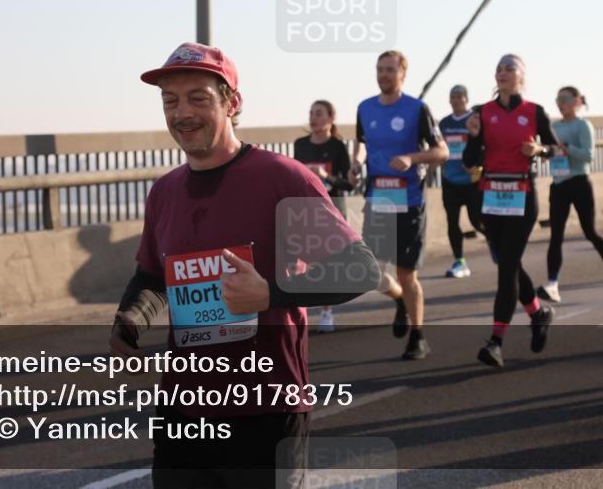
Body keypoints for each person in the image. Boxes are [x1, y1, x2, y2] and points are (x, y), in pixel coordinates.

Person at [109, 43, 381, 488]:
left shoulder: (282, 179)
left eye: (199, 98)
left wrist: (270, 294)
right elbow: (153, 275)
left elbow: (360, 268)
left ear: (232, 103)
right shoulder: (166, 192)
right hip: (184, 409)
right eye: (170, 101)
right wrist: (131, 318)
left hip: (266, 411)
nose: (182, 113)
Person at [349, 50, 449, 360]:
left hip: (409, 200)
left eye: (390, 70)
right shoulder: (365, 108)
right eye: (380, 69)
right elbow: (363, 142)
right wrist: (356, 163)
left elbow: (442, 151)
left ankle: (418, 336)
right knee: (371, 273)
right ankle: (400, 301)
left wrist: (411, 158)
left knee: (407, 275)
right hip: (378, 197)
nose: (384, 75)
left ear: (403, 74)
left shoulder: (417, 109)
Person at [463, 54, 558, 368]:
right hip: (490, 197)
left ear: (522, 77)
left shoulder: (534, 112)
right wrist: (474, 136)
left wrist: (540, 149)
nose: (503, 73)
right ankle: (538, 313)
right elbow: (469, 162)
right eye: (499, 69)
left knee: (506, 269)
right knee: (509, 262)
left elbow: (556, 149)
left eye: (509, 69)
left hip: (521, 195)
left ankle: (496, 341)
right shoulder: (482, 112)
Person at [538, 86, 603, 303]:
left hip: (579, 182)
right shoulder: (554, 127)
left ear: (577, 101)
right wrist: (547, 154)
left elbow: (589, 156)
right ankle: (552, 283)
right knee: (556, 236)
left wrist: (567, 148)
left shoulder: (583, 125)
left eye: (565, 98)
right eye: (558, 98)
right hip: (558, 183)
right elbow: (549, 150)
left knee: (589, 231)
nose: (561, 103)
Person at [293, 99, 354, 332]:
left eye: (319, 114)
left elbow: (348, 185)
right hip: (304, 211)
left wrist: (325, 177)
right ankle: (301, 312)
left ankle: (327, 311)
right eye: (311, 113)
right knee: (304, 263)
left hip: (332, 211)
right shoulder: (300, 145)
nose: (313, 118)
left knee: (328, 263)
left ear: (331, 118)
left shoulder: (338, 147)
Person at [439, 84, 488, 278]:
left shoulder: (475, 119)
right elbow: (438, 147)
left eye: (460, 96)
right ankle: (459, 261)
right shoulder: (443, 123)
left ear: (466, 99)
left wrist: (479, 165)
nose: (456, 100)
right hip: (450, 180)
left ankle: (496, 244)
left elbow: (486, 145)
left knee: (476, 220)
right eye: (453, 96)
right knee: (452, 222)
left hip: (472, 180)